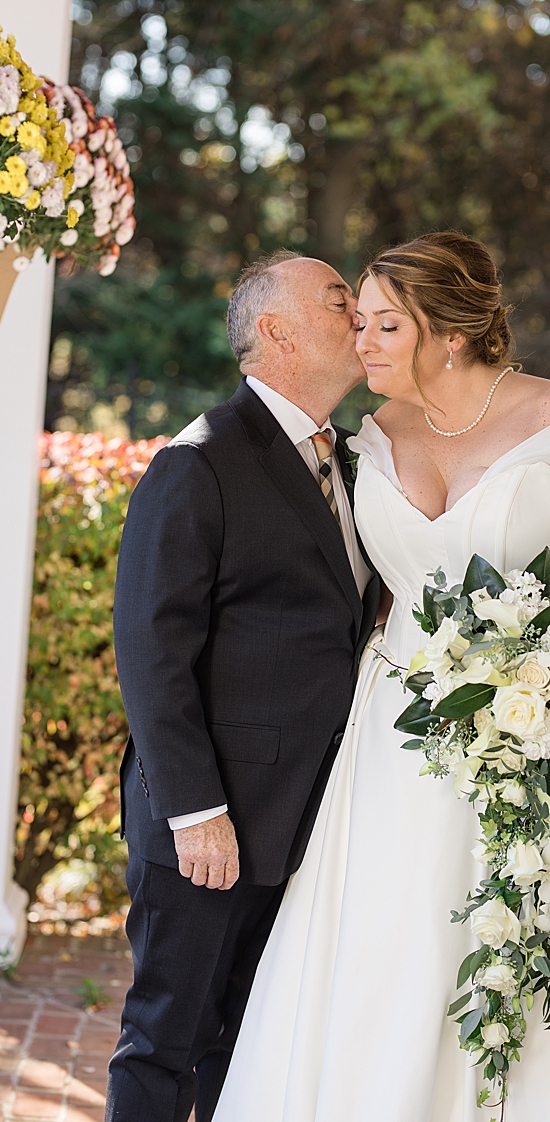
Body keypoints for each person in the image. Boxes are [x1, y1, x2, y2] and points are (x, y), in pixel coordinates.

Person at [214, 232, 550, 1121]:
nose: (362, 341)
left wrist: (543, 681)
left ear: (448, 332)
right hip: (399, 739)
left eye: (385, 324)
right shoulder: (366, 440)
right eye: (360, 322)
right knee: (398, 946)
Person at [105, 252, 384, 1120]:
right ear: (277, 332)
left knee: (253, 1041)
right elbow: (152, 650)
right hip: (211, 822)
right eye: (340, 301)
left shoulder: (353, 463)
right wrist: (196, 812)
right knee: (166, 1043)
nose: (361, 316)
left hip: (311, 816)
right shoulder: (199, 462)